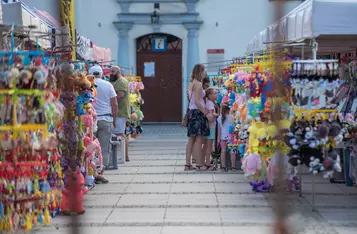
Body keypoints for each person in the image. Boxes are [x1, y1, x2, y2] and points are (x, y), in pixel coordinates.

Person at [91, 65, 118, 183]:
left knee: (90, 147)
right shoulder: (108, 85)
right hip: (106, 119)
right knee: (104, 147)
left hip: (91, 120)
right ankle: (101, 171)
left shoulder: (88, 84)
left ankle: (91, 172)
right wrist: (115, 119)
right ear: (102, 74)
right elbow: (115, 104)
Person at [185, 64, 211, 171]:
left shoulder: (192, 83)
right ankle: (199, 165)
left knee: (191, 140)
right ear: (200, 72)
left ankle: (188, 164)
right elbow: (197, 101)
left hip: (192, 112)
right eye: (204, 71)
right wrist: (206, 113)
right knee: (199, 139)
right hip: (198, 113)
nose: (205, 73)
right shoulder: (199, 84)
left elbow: (191, 99)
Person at [110, 66, 130, 162]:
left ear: (118, 72)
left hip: (120, 112)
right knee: (120, 133)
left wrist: (111, 103)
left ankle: (125, 156)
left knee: (121, 134)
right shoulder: (116, 81)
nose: (111, 73)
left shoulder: (121, 82)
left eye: (113, 71)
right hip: (118, 111)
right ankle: (124, 156)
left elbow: (120, 96)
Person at [203, 88, 219, 170]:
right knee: (209, 146)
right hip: (210, 127)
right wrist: (219, 115)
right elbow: (211, 115)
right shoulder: (210, 104)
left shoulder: (210, 103)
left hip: (210, 127)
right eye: (215, 93)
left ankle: (207, 162)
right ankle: (207, 163)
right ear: (209, 95)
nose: (217, 94)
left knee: (208, 145)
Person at [217, 102, 236, 171]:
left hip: (222, 137)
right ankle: (233, 167)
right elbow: (234, 128)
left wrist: (218, 138)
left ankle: (223, 166)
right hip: (231, 137)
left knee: (223, 151)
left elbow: (219, 130)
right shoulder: (232, 117)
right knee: (232, 151)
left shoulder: (219, 118)